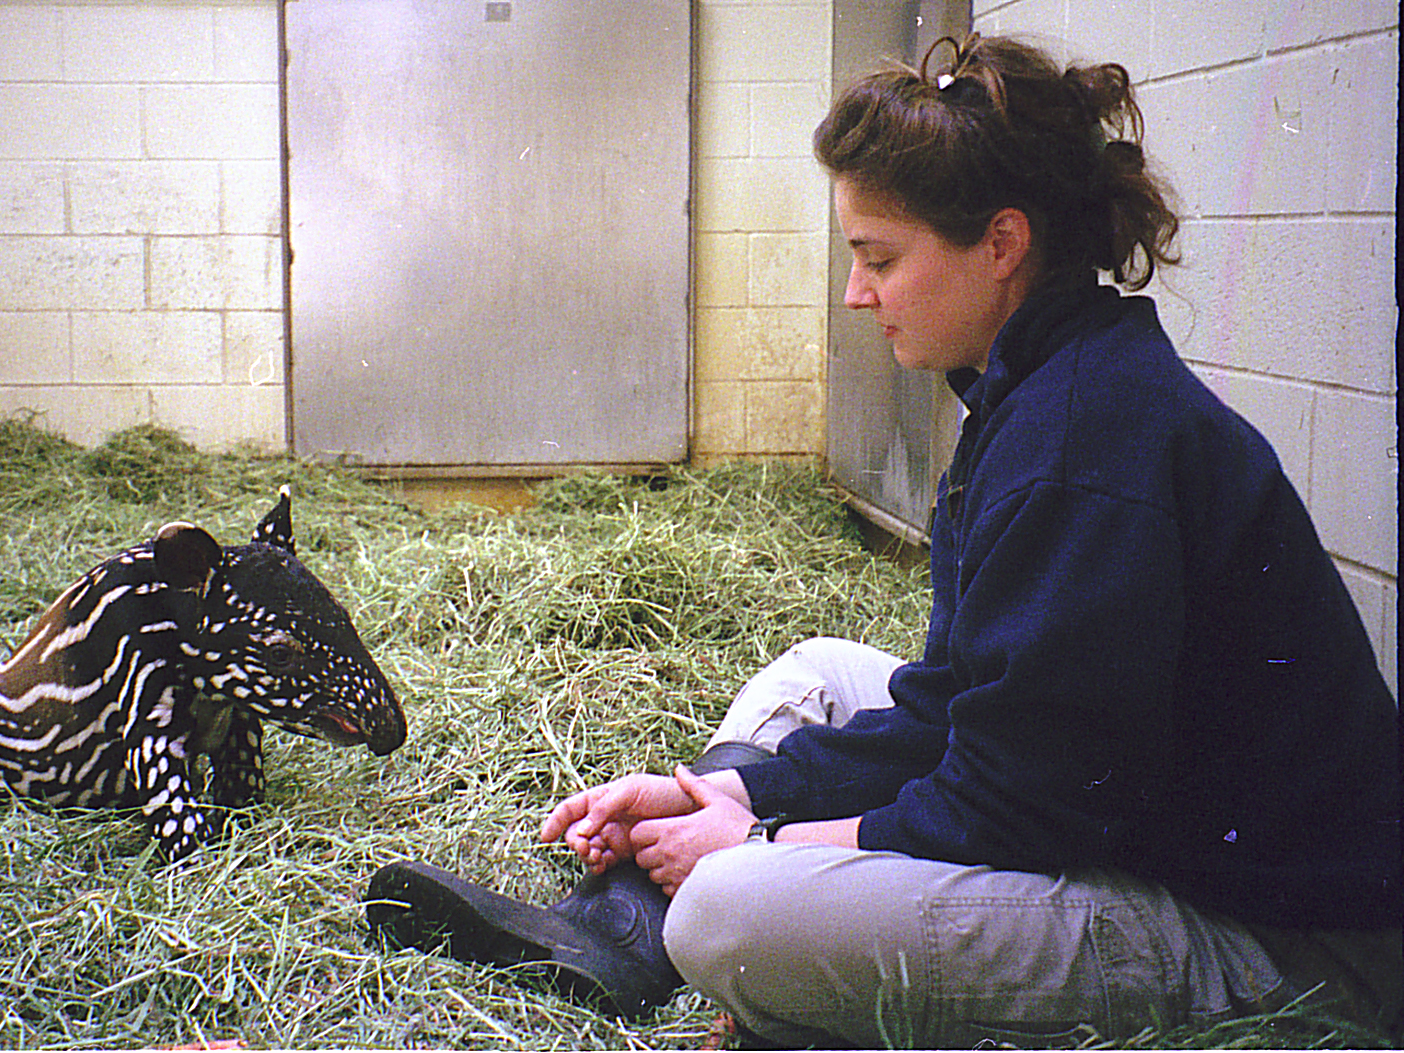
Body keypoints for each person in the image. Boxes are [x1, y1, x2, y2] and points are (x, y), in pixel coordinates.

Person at [367, 33, 1401, 1046]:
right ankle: (625, 927)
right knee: (816, 673)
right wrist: (725, 793)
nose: (857, 294)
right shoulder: (1040, 393)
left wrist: (766, 841)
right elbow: (960, 707)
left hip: (1276, 944)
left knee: (731, 911)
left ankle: (684, 919)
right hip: (1135, 825)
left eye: (878, 259)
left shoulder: (1085, 442)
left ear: (1002, 245)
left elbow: (1017, 806)